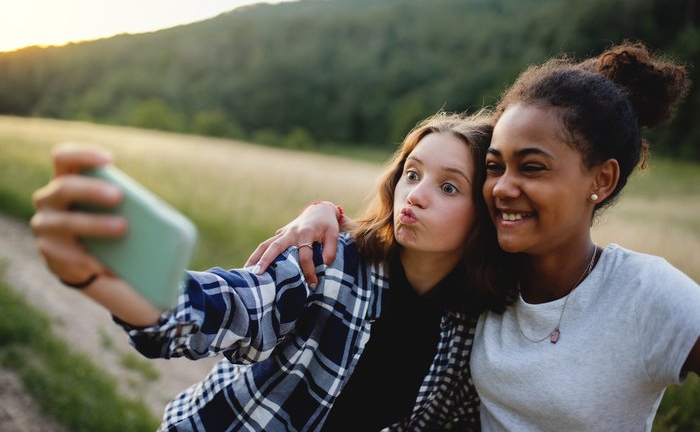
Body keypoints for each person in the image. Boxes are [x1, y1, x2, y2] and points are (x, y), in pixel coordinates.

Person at [247, 42, 700, 431]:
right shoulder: (485, 282)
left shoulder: (643, 293)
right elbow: (399, 241)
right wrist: (324, 213)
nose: (502, 187)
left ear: (600, 180)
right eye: (495, 166)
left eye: (533, 167)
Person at [30, 112, 517, 431]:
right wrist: (105, 280)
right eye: (412, 173)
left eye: (449, 187)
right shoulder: (332, 261)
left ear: (484, 213)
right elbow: (234, 307)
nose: (417, 194)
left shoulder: (471, 331)